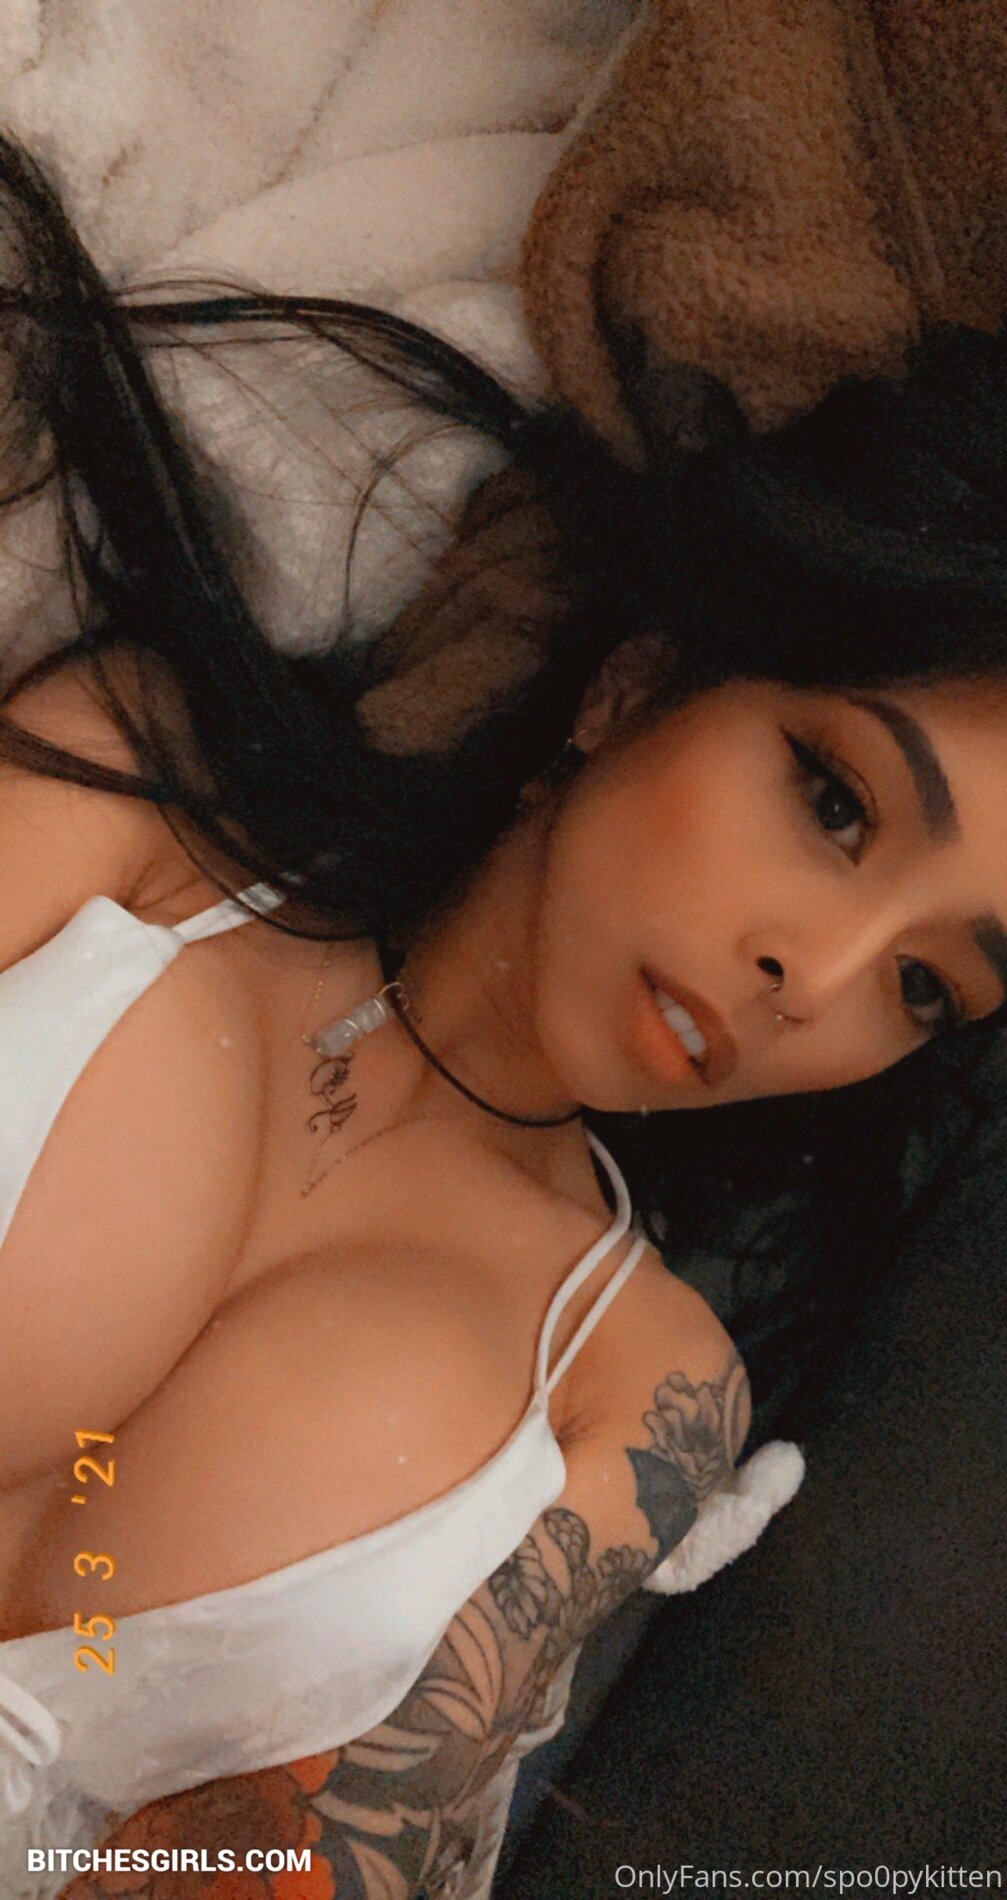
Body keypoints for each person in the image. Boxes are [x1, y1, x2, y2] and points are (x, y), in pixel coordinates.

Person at [0, 128, 1005, 1900]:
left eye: (928, 986)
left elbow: (323, 1856)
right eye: (835, 801)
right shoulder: (145, 796)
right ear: (635, 685)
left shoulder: (644, 1380)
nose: (824, 980)